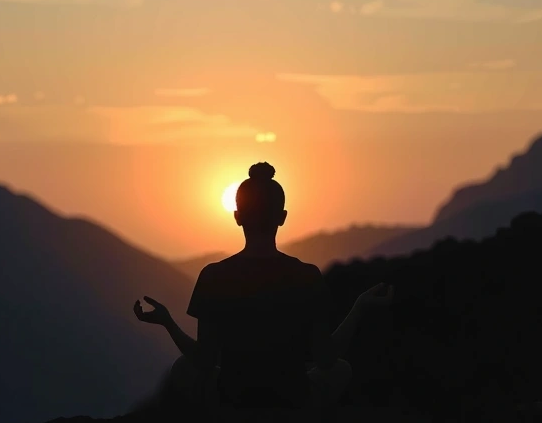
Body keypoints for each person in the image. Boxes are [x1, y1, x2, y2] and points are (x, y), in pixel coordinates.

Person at [134, 161, 394, 410]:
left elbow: (204, 361)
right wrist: (359, 307)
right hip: (293, 398)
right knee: (342, 369)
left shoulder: (214, 276)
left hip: (233, 399)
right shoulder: (307, 275)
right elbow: (326, 360)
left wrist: (167, 322)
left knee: (182, 368)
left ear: (237, 217)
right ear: (282, 217)